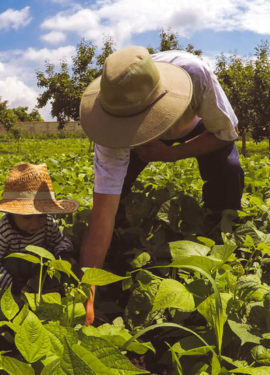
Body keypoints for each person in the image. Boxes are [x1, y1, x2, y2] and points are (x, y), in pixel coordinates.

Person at [77, 46, 245, 325]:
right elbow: (101, 214)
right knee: (114, 204)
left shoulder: (194, 74)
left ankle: (220, 232)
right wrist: (88, 293)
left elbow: (227, 134)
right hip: (129, 138)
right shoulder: (111, 123)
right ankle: (119, 242)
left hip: (197, 128)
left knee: (228, 171)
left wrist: (172, 153)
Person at [0, 163, 79, 295]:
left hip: (39, 273)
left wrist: (63, 256)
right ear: (12, 213)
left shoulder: (48, 222)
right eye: (27, 217)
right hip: (12, 276)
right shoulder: (4, 230)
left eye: (41, 215)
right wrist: (15, 286)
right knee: (11, 263)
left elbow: (61, 241)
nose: (35, 223)